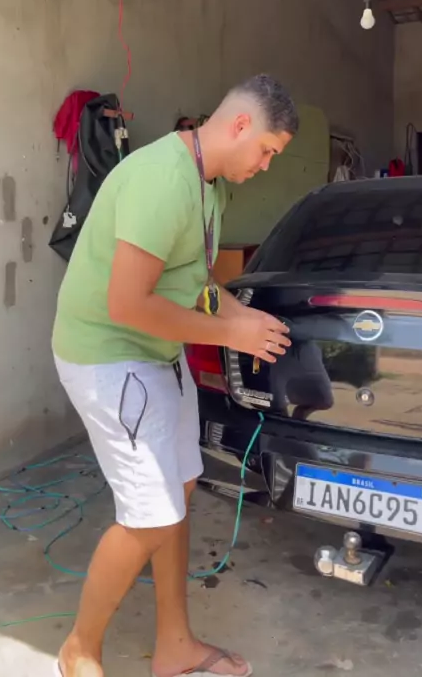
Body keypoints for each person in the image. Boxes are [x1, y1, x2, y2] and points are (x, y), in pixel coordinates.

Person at [52, 74, 299, 677]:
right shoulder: (163, 179)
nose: (266, 165)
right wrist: (231, 335)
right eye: (267, 150)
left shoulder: (207, 186)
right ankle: (78, 650)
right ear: (240, 125)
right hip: (109, 355)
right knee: (153, 514)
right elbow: (127, 304)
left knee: (180, 492)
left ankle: (175, 644)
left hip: (158, 354)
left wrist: (239, 314)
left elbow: (193, 283)